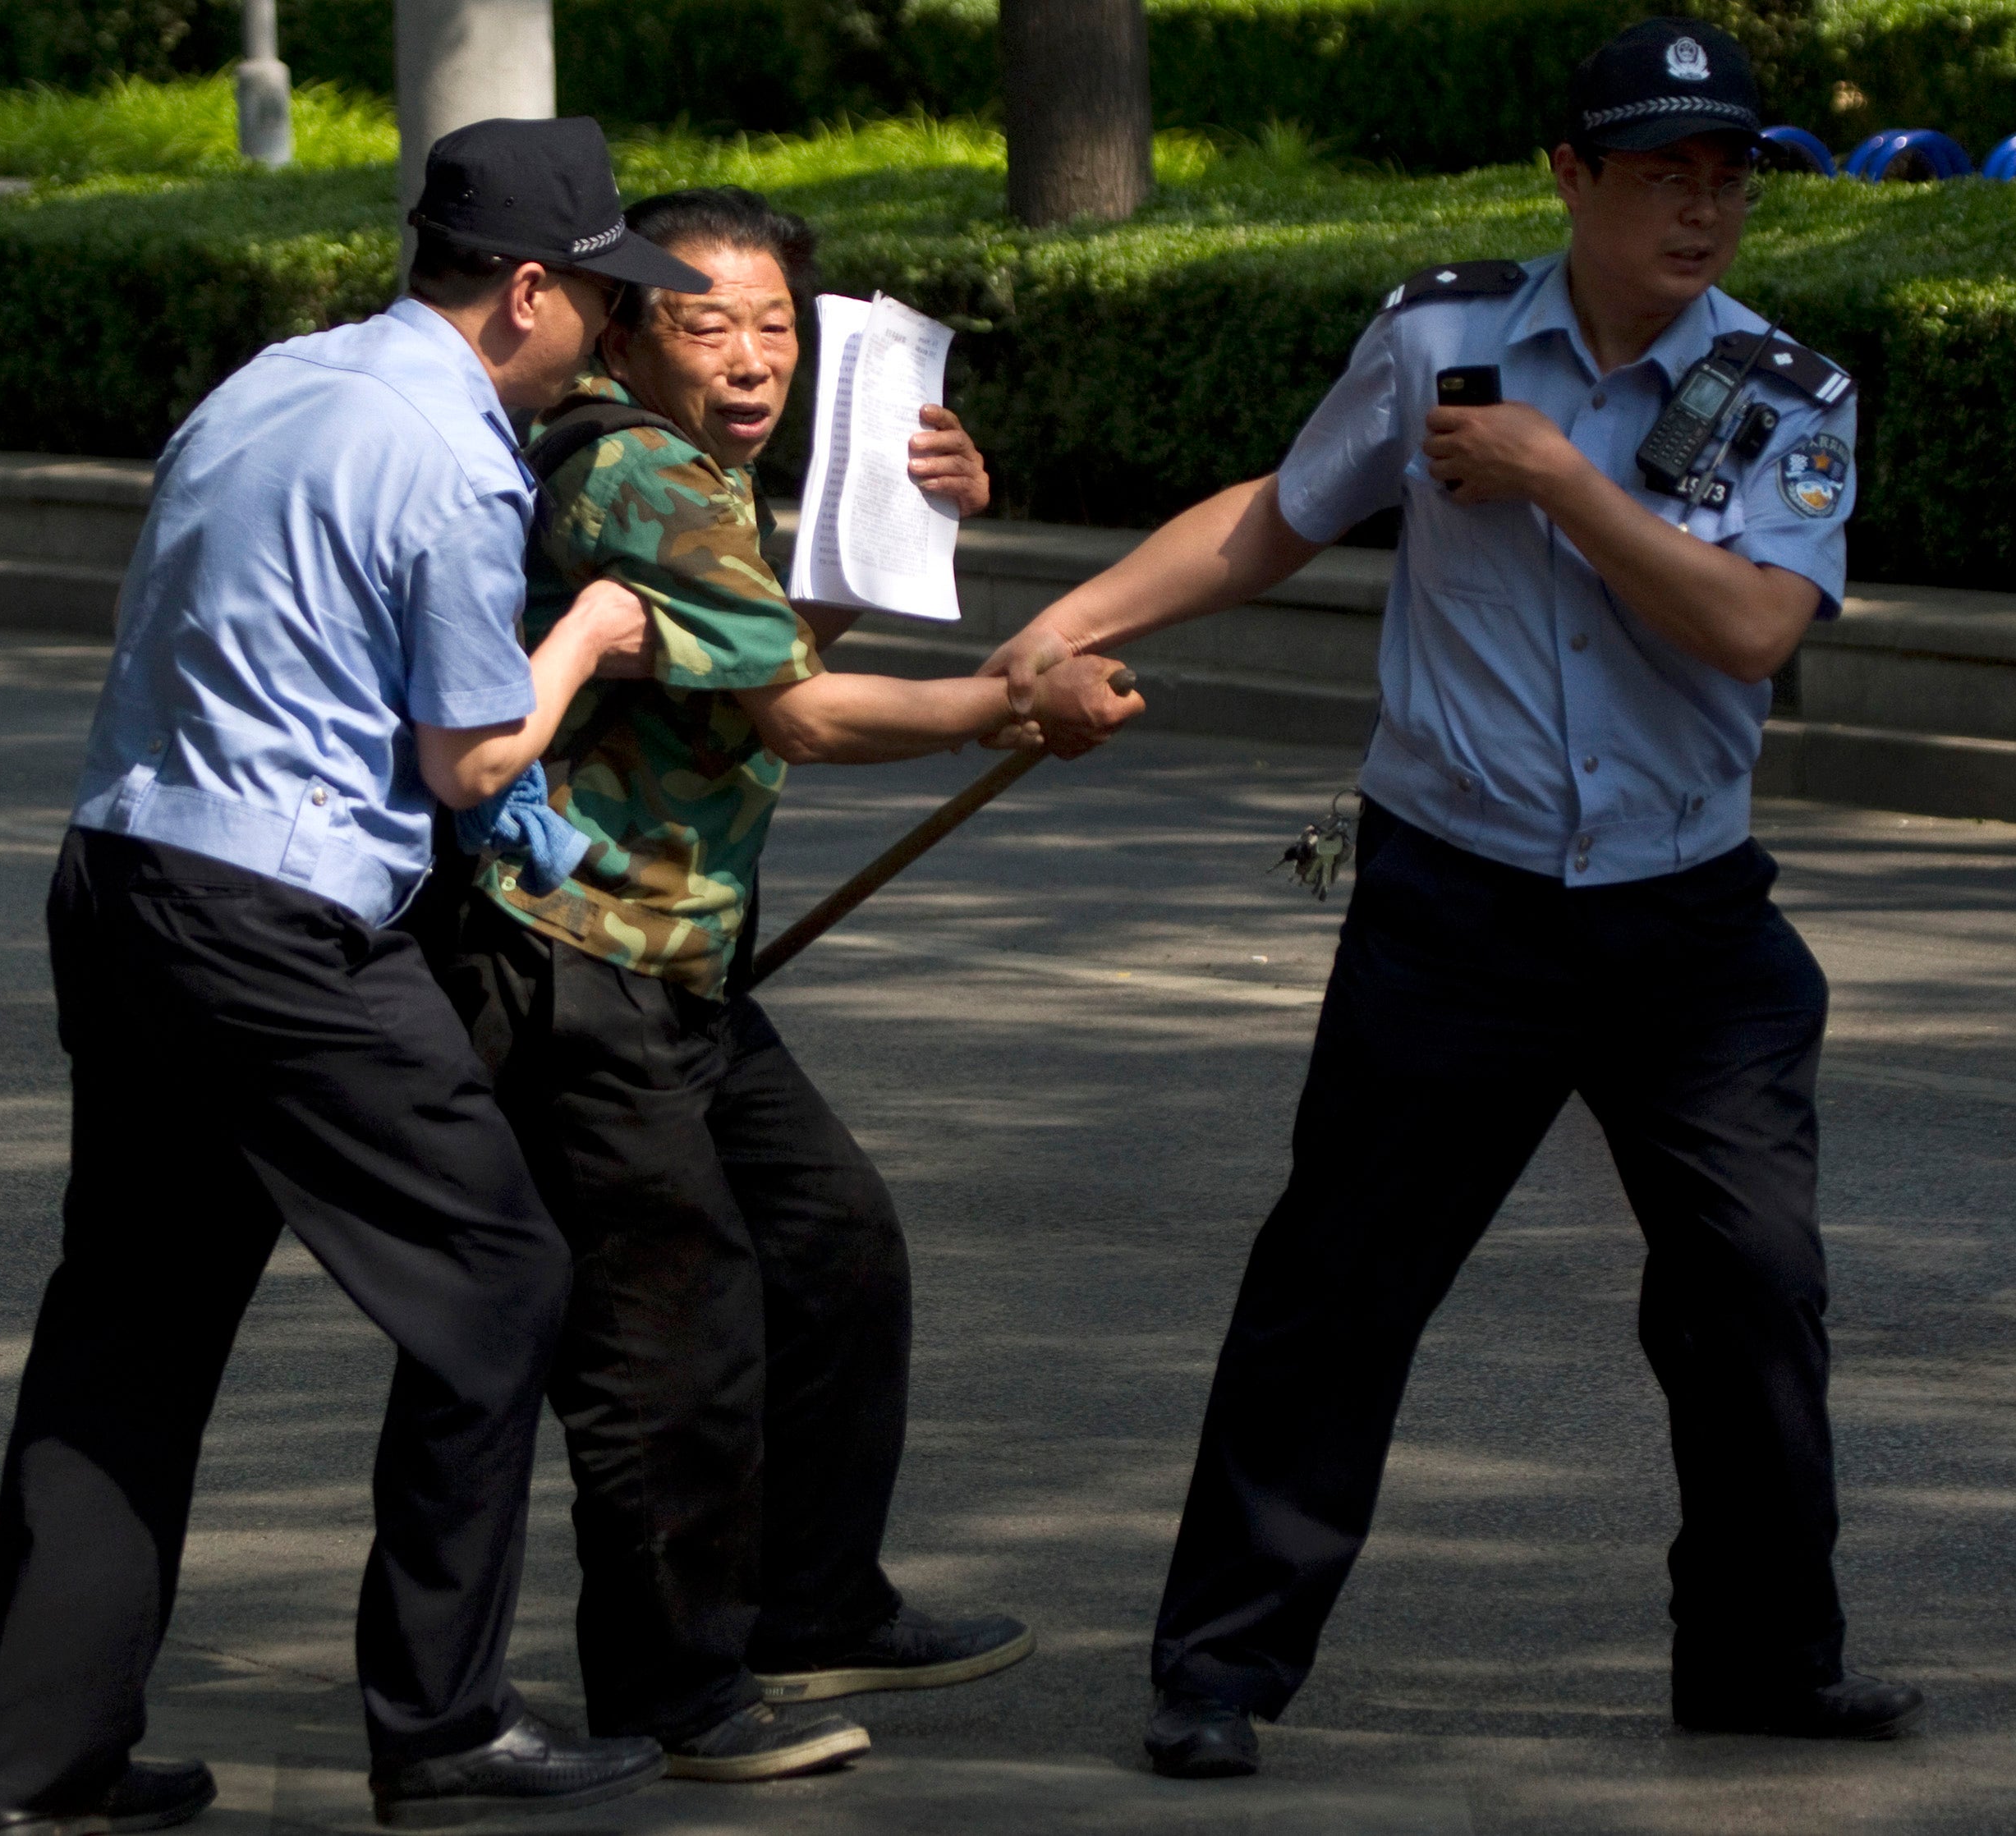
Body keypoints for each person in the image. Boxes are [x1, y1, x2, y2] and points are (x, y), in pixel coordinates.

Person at [978, 16, 1925, 1780]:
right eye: (1661, 177)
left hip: (1685, 918)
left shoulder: (1791, 395)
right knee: (1336, 1286)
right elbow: (1279, 515)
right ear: (1569, 177)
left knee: (1755, 1294)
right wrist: (1078, 617)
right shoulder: (1439, 338)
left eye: (1727, 180)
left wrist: (1566, 481)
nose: (1702, 212)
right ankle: (1220, 1668)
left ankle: (1766, 1660)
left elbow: (1748, 629)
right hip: (1456, 906)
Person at [0, 120, 716, 1833]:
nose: (611, 332)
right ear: (527, 289)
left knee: (129, 1323)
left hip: (123, 871)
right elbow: (463, 757)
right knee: (501, 1278)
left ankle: (39, 1764)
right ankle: (442, 1724)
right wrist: (593, 629)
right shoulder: (453, 460)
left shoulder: (271, 379)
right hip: (279, 919)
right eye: (604, 299)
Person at [409, 186, 1142, 1782]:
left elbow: (755, 658)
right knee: (672, 1332)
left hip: (679, 967)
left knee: (833, 1244)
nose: (751, 360)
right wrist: (1013, 700)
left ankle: (809, 1600)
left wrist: (900, 506)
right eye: (705, 322)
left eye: (776, 328)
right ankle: (675, 1694)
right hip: (575, 960)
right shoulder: (632, 472)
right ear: (621, 327)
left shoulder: (702, 484)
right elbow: (800, 716)